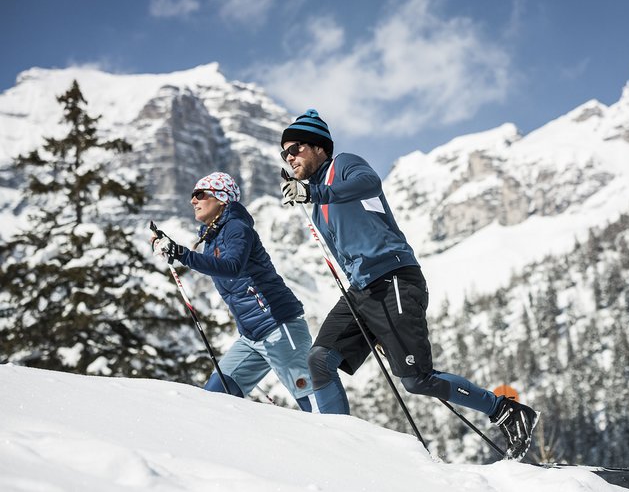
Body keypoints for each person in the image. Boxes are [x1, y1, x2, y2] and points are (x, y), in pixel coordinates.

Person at [278, 109, 539, 459]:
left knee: (417, 380)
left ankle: (504, 410)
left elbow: (369, 184)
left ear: (318, 147)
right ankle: (338, 448)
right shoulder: (317, 200)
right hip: (362, 290)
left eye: (295, 148)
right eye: (285, 153)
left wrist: (316, 195)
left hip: (393, 279)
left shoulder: (344, 166)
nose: (289, 157)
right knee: (320, 359)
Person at [151, 171, 316, 411]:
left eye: (199, 194)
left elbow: (232, 267)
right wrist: (174, 251)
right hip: (251, 337)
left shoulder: (237, 228)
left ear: (221, 198)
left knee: (312, 403)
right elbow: (216, 265)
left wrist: (182, 254)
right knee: (213, 399)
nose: (192, 200)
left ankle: (350, 445)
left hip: (280, 326)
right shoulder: (212, 240)